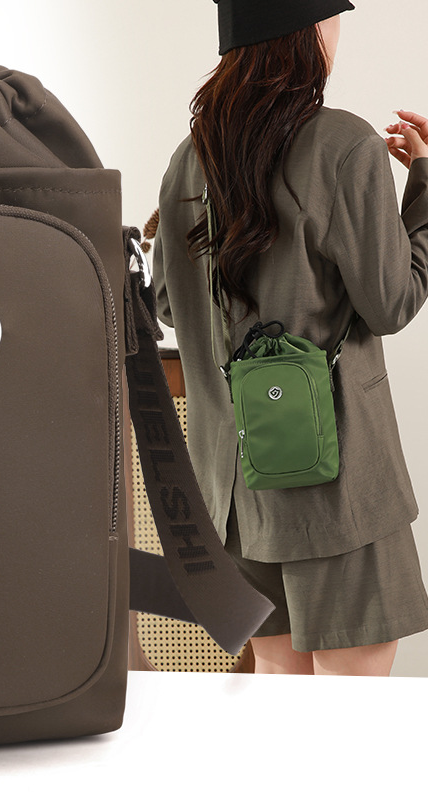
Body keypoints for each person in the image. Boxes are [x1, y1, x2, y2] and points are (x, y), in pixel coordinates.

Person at [152, 0, 428, 675]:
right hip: (335, 482)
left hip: (234, 488)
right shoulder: (343, 146)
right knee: (351, 708)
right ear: (305, 32)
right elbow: (392, 302)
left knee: (281, 697)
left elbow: (166, 302)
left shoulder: (191, 157)